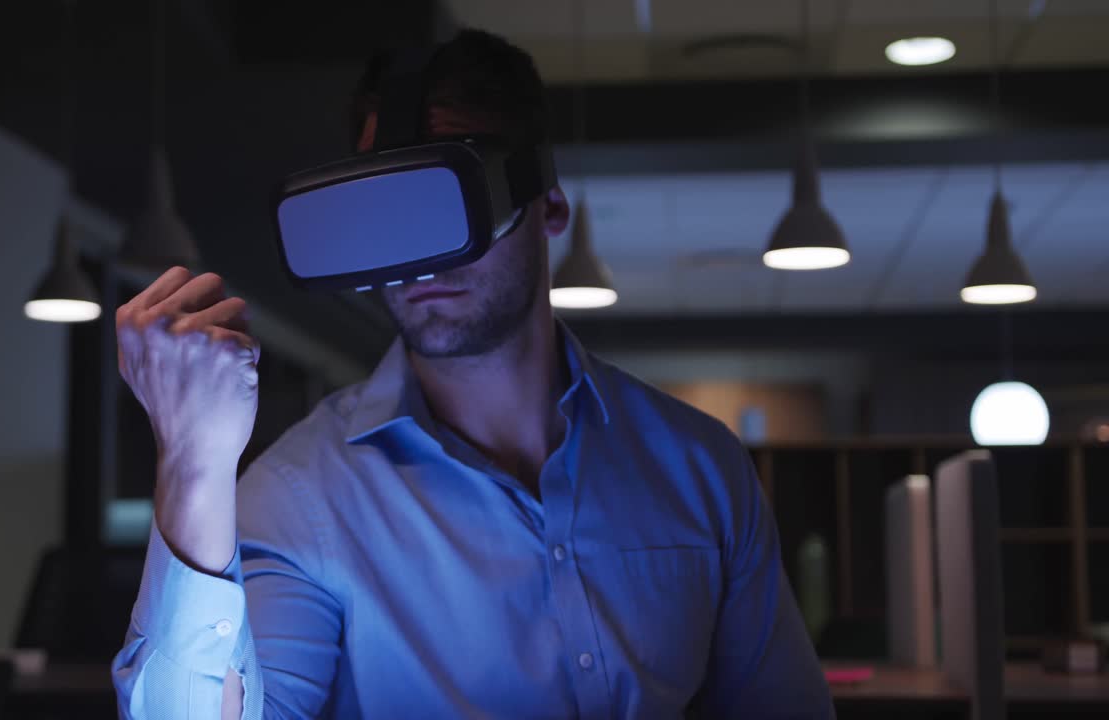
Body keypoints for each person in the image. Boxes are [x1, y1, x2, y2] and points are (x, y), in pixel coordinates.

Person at [112, 29, 833, 720]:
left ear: (546, 204)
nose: (419, 256)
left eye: (448, 199)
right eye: (388, 211)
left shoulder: (700, 471)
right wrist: (192, 462)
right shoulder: (303, 498)